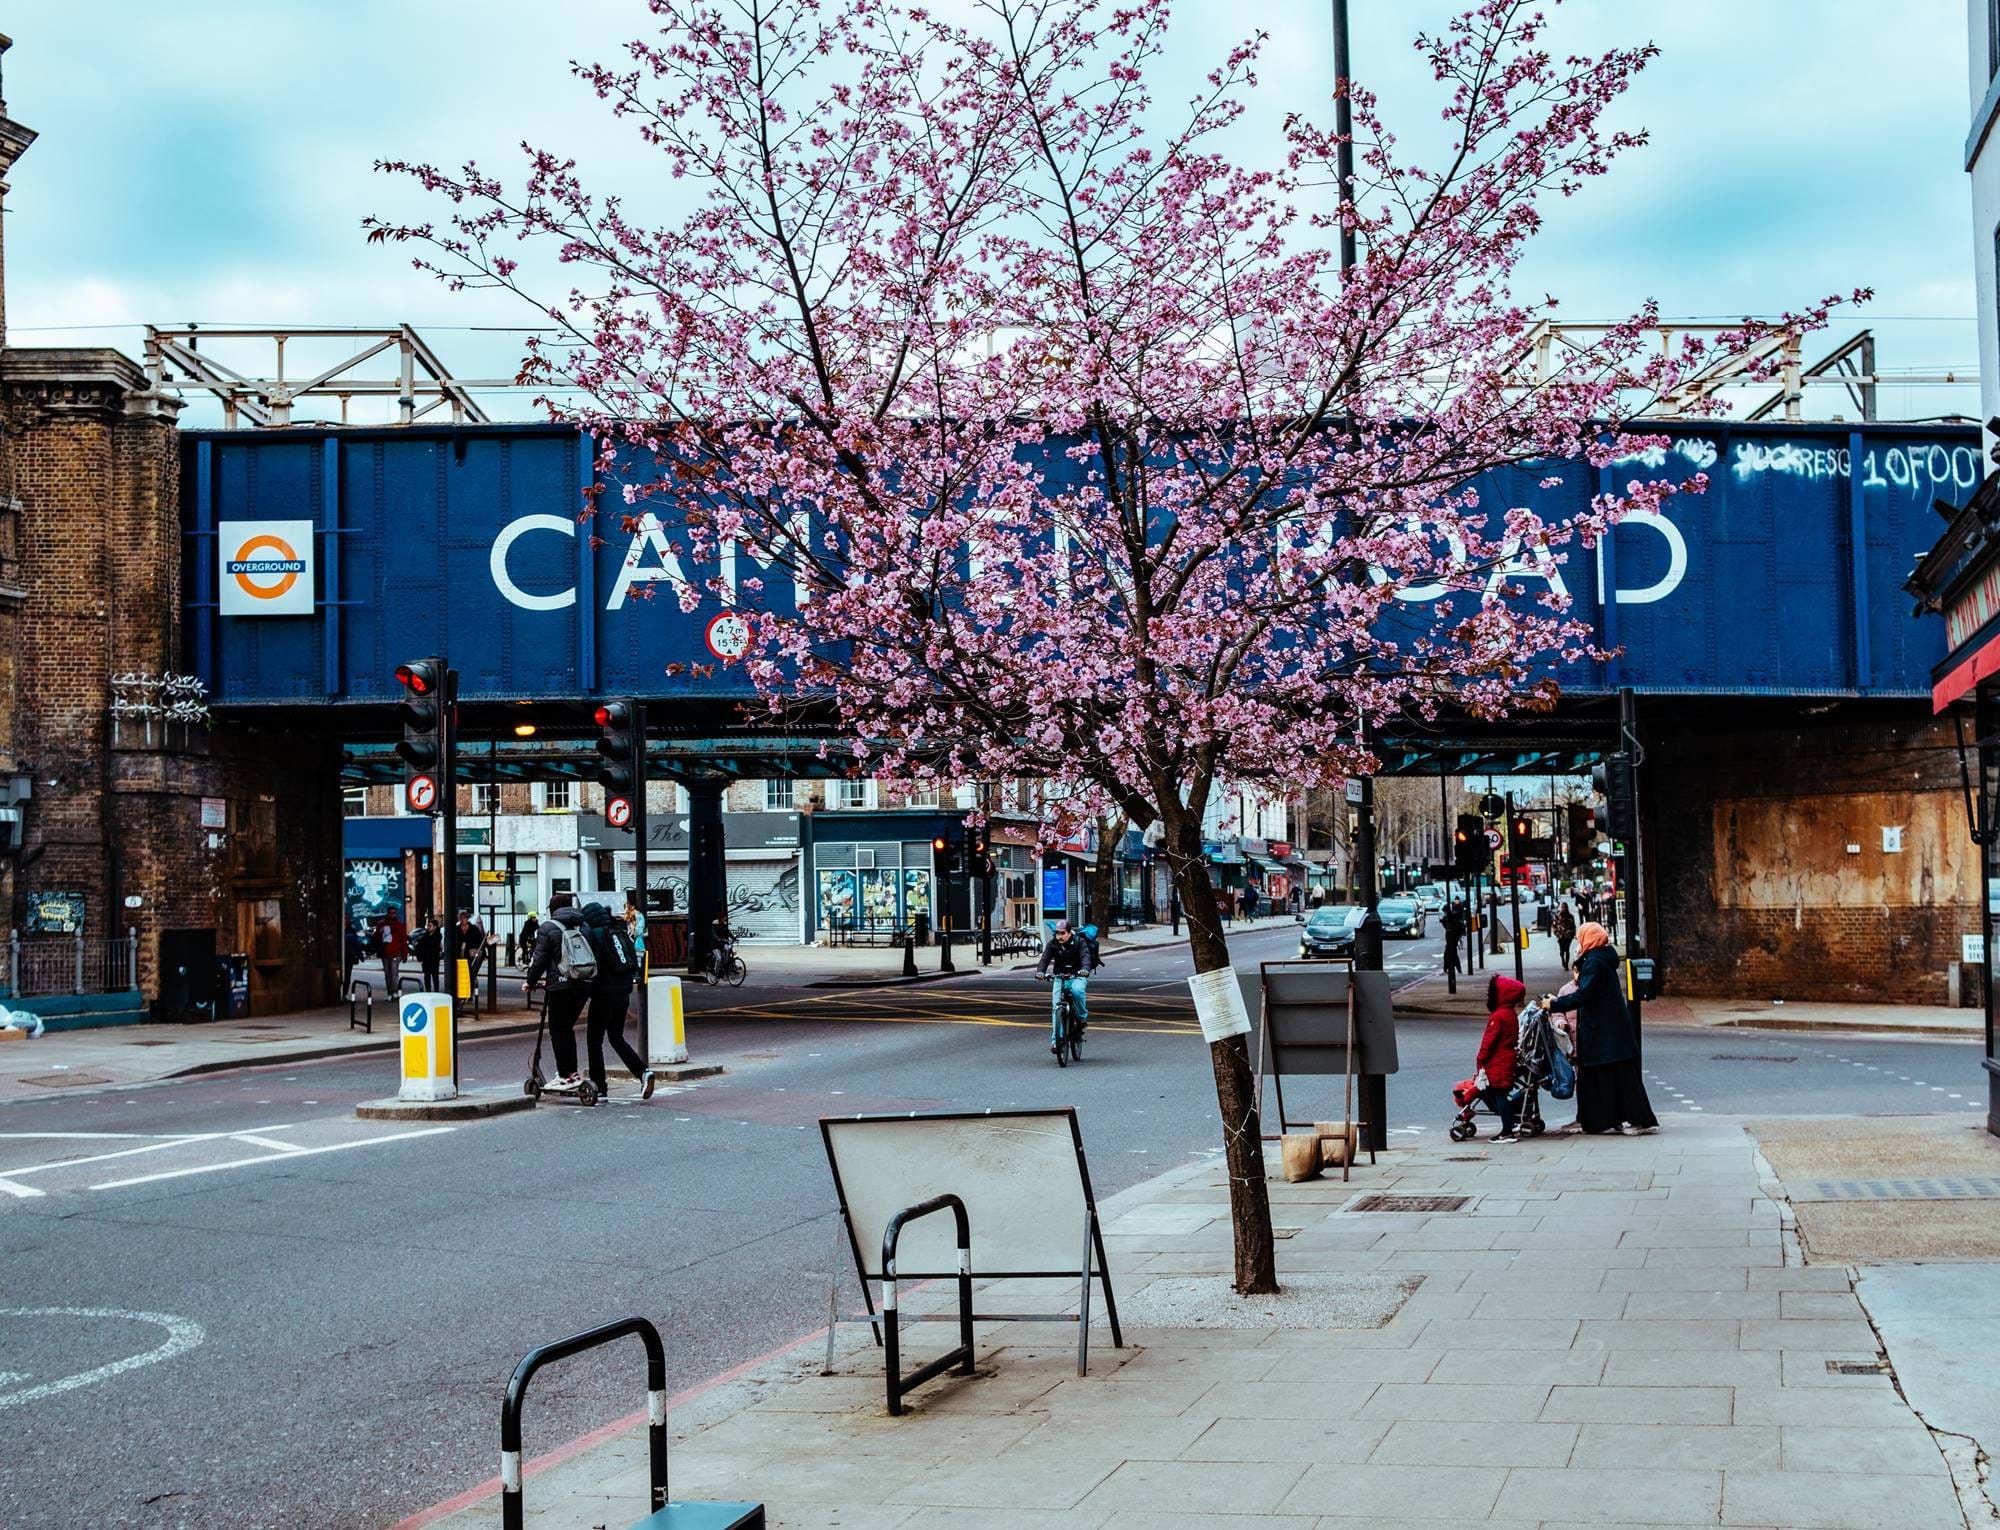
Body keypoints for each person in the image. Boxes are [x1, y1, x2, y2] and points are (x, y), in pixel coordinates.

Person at [1546, 921, 1658, 1136]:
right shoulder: (1600, 959)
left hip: (1603, 1032)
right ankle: (1600, 1120)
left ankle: (1630, 1121)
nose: (1578, 942)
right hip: (1609, 1031)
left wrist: (1554, 1004)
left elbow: (1584, 995)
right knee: (1609, 1078)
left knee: (1607, 1078)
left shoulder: (1594, 962)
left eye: (1581, 938)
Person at [580, 900, 655, 1100]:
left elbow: (591, 965)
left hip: (603, 994)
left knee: (594, 1040)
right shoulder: (619, 932)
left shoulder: (595, 935)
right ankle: (643, 1072)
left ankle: (599, 1086)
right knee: (616, 1037)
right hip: (623, 994)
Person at [522, 892, 593, 1093]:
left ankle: (565, 1076)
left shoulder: (548, 928)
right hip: (583, 983)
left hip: (560, 986)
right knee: (567, 1028)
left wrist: (530, 982)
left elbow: (540, 960)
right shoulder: (583, 925)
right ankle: (573, 1074)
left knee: (558, 1030)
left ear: (552, 909)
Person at [1476, 974, 1525, 1143]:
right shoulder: (1510, 1014)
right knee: (1500, 1094)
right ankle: (1509, 1124)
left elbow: (1488, 1042)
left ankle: (1507, 1130)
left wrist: (1481, 1060)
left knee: (1498, 1094)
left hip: (1498, 1061)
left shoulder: (1498, 1016)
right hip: (1507, 1058)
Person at [1034, 919, 1094, 1052]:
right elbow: (1045, 959)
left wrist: (1085, 969)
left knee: (1077, 991)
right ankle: (1056, 1042)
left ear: (1069, 932)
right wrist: (1040, 972)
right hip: (1059, 978)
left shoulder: (1079, 942)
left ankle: (1082, 1017)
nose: (1059, 936)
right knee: (1056, 1008)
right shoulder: (1053, 943)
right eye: (1057, 933)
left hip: (1077, 976)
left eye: (1062, 933)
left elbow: (1085, 957)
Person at [373, 908, 409, 996]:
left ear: (396, 914)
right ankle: (390, 992)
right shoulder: (382, 925)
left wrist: (404, 954)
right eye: (390, 913)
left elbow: (403, 940)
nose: (392, 915)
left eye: (393, 913)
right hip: (385, 953)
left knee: (393, 973)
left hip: (396, 953)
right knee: (388, 974)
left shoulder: (400, 926)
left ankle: (394, 991)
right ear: (388, 914)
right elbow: (376, 938)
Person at [456, 910, 487, 994]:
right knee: (460, 975)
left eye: (464, 918)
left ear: (467, 918)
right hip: (459, 956)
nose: (462, 920)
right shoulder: (457, 929)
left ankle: (469, 993)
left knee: (471, 975)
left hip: (471, 956)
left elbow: (479, 941)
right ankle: (461, 993)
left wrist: (475, 950)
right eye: (460, 918)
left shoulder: (474, 929)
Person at [412, 914, 443, 993]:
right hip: (426, 960)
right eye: (428, 925)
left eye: (430, 926)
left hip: (434, 959)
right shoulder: (425, 935)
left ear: (435, 927)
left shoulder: (438, 935)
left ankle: (436, 992)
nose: (428, 927)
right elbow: (420, 945)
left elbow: (432, 944)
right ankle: (428, 991)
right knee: (427, 977)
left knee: (435, 977)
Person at [1552, 900, 1576, 969]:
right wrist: (1556, 933)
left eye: (1565, 907)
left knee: (1567, 949)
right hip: (1560, 935)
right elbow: (1554, 925)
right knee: (1562, 950)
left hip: (1568, 935)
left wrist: (1573, 934)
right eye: (1562, 907)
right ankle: (1563, 959)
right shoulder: (1558, 916)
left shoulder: (1570, 916)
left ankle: (1566, 964)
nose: (1563, 909)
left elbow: (1573, 926)